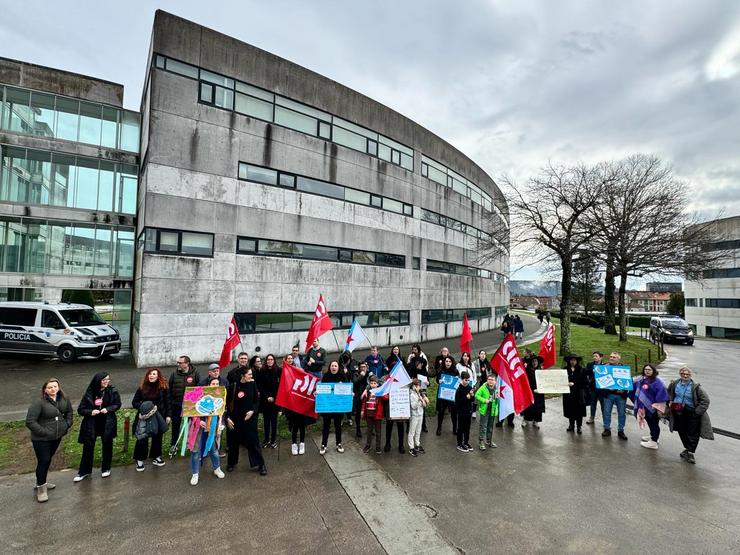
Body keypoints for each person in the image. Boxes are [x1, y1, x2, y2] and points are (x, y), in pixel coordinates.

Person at [25, 377, 73, 502]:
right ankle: (41, 490)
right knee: (44, 461)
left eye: (55, 386)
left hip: (56, 437)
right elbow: (30, 422)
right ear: (45, 390)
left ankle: (42, 481)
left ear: (58, 387)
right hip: (41, 439)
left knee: (47, 460)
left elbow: (69, 412)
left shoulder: (64, 399)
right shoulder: (39, 403)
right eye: (50, 387)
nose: (53, 389)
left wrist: (67, 424)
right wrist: (44, 432)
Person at [74, 373, 121, 482]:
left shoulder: (112, 390)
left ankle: (106, 468)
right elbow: (80, 409)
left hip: (107, 422)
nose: (106, 382)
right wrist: (91, 411)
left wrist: (108, 409)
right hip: (91, 423)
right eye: (104, 380)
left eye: (108, 379)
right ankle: (84, 471)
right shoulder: (90, 392)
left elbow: (117, 404)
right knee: (88, 447)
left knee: (107, 445)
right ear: (98, 380)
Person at [667, 367, 714, 464]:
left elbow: (705, 401)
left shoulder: (696, 387)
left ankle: (691, 452)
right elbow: (669, 394)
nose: (685, 376)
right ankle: (687, 449)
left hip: (692, 412)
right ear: (680, 374)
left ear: (690, 375)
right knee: (681, 430)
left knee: (693, 432)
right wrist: (670, 402)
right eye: (683, 374)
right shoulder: (674, 384)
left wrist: (697, 412)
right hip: (678, 410)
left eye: (687, 374)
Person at [225, 367, 266, 475]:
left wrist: (253, 411)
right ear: (242, 376)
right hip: (235, 420)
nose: (251, 376)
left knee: (253, 442)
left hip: (249, 419)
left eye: (251, 374)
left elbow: (257, 400)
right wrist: (227, 417)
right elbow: (227, 404)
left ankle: (261, 464)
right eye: (249, 374)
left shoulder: (252, 384)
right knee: (233, 442)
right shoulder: (233, 386)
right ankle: (231, 463)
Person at [189, 376, 227, 485]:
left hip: (211, 429)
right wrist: (198, 421)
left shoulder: (220, 397)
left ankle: (217, 468)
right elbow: (191, 410)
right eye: (213, 384)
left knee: (213, 450)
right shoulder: (200, 395)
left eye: (217, 384)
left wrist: (220, 424)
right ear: (209, 385)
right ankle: (195, 473)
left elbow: (222, 413)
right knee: (196, 451)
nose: (215, 386)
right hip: (198, 429)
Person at [132, 368, 171, 471]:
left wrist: (168, 415)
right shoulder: (142, 387)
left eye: (154, 374)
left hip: (159, 416)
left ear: (158, 376)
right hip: (144, 416)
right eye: (150, 374)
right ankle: (139, 459)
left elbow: (168, 402)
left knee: (157, 437)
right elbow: (134, 402)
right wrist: (144, 406)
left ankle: (156, 456)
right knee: (142, 437)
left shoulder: (163, 387)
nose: (151, 375)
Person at [630, 364, 669, 450]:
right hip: (644, 408)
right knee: (650, 422)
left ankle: (654, 441)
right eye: (646, 369)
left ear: (653, 371)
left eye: (649, 370)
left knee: (654, 423)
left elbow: (661, 395)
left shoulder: (657, 381)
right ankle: (653, 436)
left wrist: (657, 406)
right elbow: (631, 383)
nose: (647, 371)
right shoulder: (642, 379)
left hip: (653, 408)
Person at [168, 355, 201, 457]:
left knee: (193, 426)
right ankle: (174, 445)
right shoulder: (174, 374)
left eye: (180, 363)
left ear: (187, 363)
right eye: (178, 362)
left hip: (190, 407)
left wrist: (193, 402)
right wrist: (172, 401)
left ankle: (191, 445)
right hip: (177, 405)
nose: (178, 364)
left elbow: (199, 389)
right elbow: (169, 388)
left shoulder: (195, 374)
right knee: (175, 426)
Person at [284, 353, 313, 455]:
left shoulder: (303, 382)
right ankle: (293, 444)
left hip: (302, 407)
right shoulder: (288, 377)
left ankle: (302, 443)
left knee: (302, 426)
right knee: (294, 426)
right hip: (292, 407)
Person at [319, 360, 349, 455]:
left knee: (338, 427)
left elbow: (347, 389)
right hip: (327, 407)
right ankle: (324, 445)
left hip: (338, 407)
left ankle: (339, 443)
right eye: (332, 366)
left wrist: (350, 393)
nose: (334, 367)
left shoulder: (342, 376)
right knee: (326, 427)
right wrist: (318, 393)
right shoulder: (326, 376)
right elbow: (322, 389)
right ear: (330, 367)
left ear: (338, 367)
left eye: (335, 366)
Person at [601, 351, 629, 440]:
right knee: (606, 412)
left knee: (621, 413)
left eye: (614, 357)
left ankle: (621, 430)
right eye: (611, 356)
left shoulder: (624, 369)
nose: (611, 358)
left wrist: (623, 389)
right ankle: (607, 429)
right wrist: (607, 387)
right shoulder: (605, 367)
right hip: (608, 395)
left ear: (619, 359)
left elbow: (628, 382)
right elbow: (600, 381)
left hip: (621, 396)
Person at [255, 354, 280, 449]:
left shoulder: (278, 370)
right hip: (265, 401)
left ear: (274, 360)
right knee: (266, 422)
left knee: (274, 422)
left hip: (275, 400)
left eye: (271, 359)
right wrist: (267, 397)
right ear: (266, 361)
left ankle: (273, 440)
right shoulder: (262, 371)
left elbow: (280, 386)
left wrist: (273, 397)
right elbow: (260, 386)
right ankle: (266, 440)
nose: (270, 361)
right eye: (268, 359)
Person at [563, 354, 588, 433]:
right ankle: (571, 425)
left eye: (574, 360)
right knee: (570, 409)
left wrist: (574, 384)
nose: (572, 362)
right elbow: (561, 380)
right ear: (569, 361)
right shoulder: (565, 369)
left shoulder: (582, 370)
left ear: (577, 361)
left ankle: (579, 426)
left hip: (579, 394)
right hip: (568, 394)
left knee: (579, 411)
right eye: (571, 360)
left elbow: (585, 382)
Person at [436, 355, 460, 436]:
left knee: (454, 412)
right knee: (441, 411)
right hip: (443, 394)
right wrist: (438, 381)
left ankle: (455, 428)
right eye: (446, 361)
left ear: (452, 362)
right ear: (444, 362)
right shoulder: (440, 370)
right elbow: (437, 380)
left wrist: (457, 380)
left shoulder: (455, 371)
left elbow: (457, 382)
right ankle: (439, 427)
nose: (448, 363)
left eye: (450, 361)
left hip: (452, 395)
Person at [475, 373, 499, 450]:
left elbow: (498, 400)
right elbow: (476, 395)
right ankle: (481, 441)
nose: (490, 381)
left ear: (495, 381)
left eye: (492, 380)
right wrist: (484, 400)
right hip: (484, 411)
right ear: (487, 380)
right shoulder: (483, 387)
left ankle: (489, 440)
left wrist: (498, 398)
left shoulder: (497, 389)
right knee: (483, 427)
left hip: (493, 411)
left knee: (490, 427)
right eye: (489, 379)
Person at [361, 374, 384, 454]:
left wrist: (380, 393)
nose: (373, 385)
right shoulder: (368, 392)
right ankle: (368, 445)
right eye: (372, 383)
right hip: (369, 414)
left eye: (375, 383)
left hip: (377, 414)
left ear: (377, 384)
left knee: (378, 432)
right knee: (369, 430)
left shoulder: (380, 392)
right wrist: (363, 411)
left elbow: (386, 398)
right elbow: (364, 401)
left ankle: (378, 447)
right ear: (369, 384)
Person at [521, 355, 545, 428]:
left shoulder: (540, 370)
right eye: (533, 361)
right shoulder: (527, 370)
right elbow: (525, 381)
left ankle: (536, 421)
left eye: (536, 361)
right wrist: (532, 389)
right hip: (530, 391)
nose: (535, 362)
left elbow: (544, 381)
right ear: (531, 362)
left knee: (538, 407)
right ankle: (525, 420)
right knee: (529, 406)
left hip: (539, 392)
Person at [408, 355, 430, 432]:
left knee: (422, 407)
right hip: (413, 391)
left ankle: (423, 425)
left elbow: (429, 383)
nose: (421, 365)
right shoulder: (411, 370)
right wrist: (412, 380)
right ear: (416, 364)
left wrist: (427, 383)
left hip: (422, 390)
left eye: (422, 364)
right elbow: (408, 383)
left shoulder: (424, 371)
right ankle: (409, 426)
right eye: (420, 364)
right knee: (412, 407)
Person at [454, 371, 475, 452]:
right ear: (461, 380)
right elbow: (457, 402)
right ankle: (459, 444)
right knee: (461, 428)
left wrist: (472, 396)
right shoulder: (459, 390)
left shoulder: (469, 388)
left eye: (468, 380)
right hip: (461, 412)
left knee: (467, 428)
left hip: (468, 411)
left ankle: (466, 442)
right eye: (465, 380)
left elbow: (472, 400)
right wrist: (466, 397)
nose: (467, 381)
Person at [407, 378, 428, 456]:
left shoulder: (419, 393)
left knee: (418, 431)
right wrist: (419, 401)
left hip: (420, 414)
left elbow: (423, 405)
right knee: (412, 432)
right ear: (415, 386)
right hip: (414, 415)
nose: (420, 388)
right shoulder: (411, 394)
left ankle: (417, 444)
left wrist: (424, 402)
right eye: (419, 386)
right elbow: (413, 406)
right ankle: (411, 447)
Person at [584, 352, 604, 425]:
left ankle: (605, 419)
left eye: (596, 356)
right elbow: (585, 372)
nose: (594, 357)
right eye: (594, 356)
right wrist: (592, 370)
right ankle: (592, 417)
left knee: (603, 405)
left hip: (602, 389)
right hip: (593, 388)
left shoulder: (605, 366)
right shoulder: (590, 364)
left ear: (601, 357)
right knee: (593, 404)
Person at [351, 360, 369, 438]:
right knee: (358, 414)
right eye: (361, 367)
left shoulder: (369, 374)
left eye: (364, 367)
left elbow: (373, 382)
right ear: (359, 368)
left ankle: (370, 429)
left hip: (367, 396)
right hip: (358, 396)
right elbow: (355, 382)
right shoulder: (355, 374)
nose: (363, 368)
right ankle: (358, 429)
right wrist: (361, 376)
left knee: (369, 413)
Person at [338, 351, 356, 427]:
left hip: (348, 387)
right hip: (340, 388)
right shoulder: (339, 366)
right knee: (341, 404)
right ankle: (341, 419)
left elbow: (352, 376)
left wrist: (347, 372)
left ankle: (349, 418)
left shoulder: (350, 365)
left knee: (348, 403)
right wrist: (343, 372)